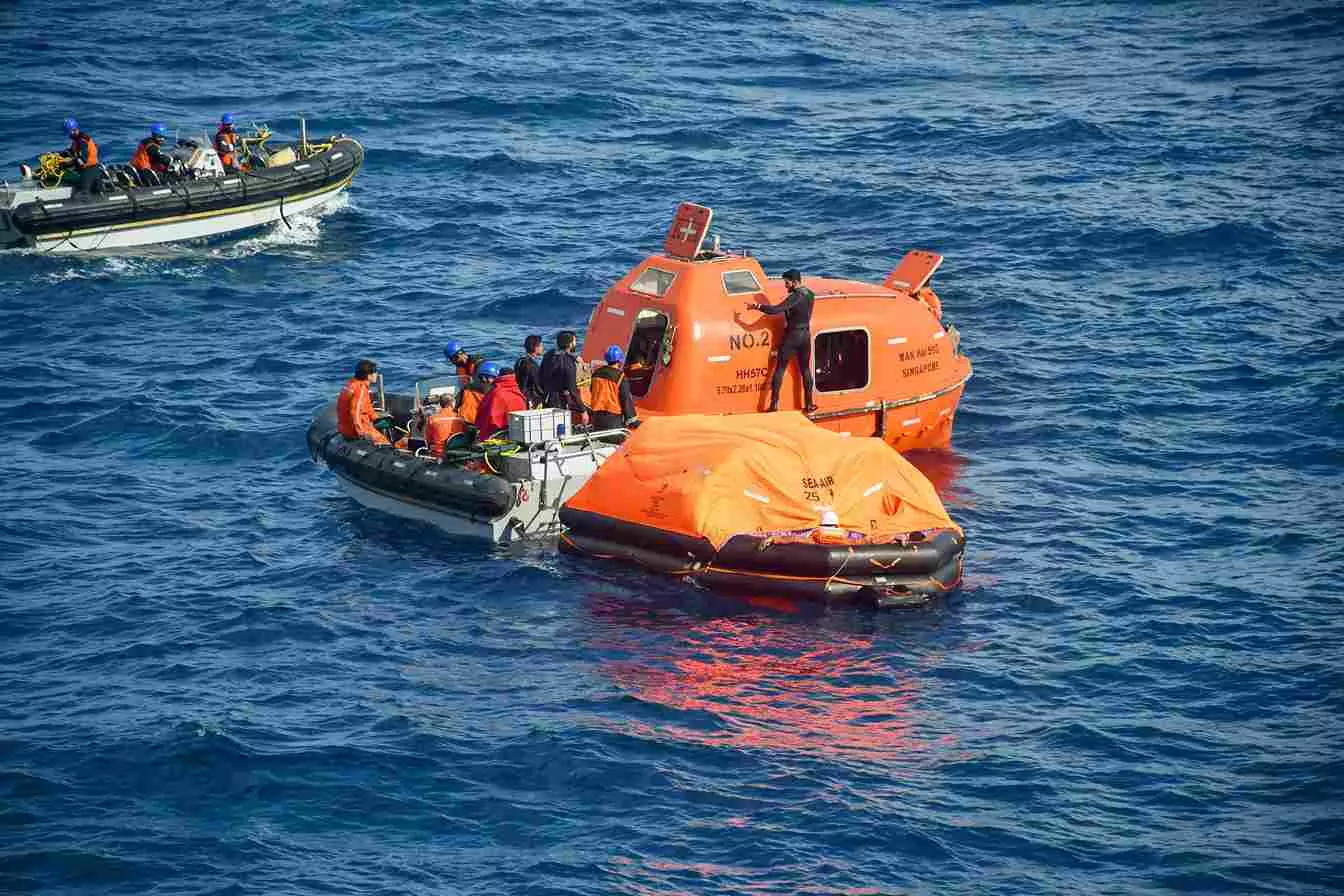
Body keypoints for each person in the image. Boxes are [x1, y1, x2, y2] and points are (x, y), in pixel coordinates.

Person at [746, 268, 817, 413]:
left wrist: (757, 306)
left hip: (792, 336)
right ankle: (809, 404)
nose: (785, 286)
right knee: (805, 369)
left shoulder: (795, 297)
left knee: (779, 369)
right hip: (805, 335)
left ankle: (774, 406)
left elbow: (775, 310)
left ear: (794, 282)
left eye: (787, 283)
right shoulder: (810, 294)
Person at [539, 330, 588, 423]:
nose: (575, 343)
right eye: (574, 341)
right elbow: (572, 390)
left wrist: (574, 357)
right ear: (570, 344)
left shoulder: (548, 355)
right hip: (559, 402)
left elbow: (540, 376)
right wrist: (583, 410)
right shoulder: (568, 363)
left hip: (546, 398)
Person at [337, 359, 390, 445]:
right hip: (354, 430)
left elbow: (366, 406)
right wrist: (362, 433)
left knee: (386, 422)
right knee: (385, 442)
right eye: (375, 372)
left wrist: (376, 417)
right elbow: (355, 412)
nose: (376, 374)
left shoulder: (351, 384)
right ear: (368, 376)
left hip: (344, 428)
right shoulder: (360, 389)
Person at [474, 361, 529, 439]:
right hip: (519, 432)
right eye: (481, 378)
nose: (483, 381)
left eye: (486, 378)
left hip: (498, 434)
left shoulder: (494, 393)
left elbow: (484, 419)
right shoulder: (518, 390)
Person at [589, 345, 637, 431]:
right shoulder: (620, 377)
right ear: (619, 361)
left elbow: (592, 390)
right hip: (613, 418)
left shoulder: (596, 373)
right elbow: (625, 399)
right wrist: (631, 420)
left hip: (596, 417)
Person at [59, 118, 100, 196]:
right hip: (84, 168)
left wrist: (68, 163)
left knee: (82, 192)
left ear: (72, 131)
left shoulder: (82, 141)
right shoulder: (77, 140)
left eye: (68, 133)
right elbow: (72, 151)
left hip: (90, 169)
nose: (68, 135)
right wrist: (59, 155)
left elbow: (83, 160)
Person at [423, 393, 467, 458]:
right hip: (457, 453)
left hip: (438, 453)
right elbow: (464, 435)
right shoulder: (461, 418)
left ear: (440, 404)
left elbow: (428, 440)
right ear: (452, 403)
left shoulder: (432, 419)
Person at [455, 361, 497, 426]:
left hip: (468, 423)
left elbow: (456, 407)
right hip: (480, 424)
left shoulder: (466, 389)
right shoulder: (495, 392)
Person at [514, 334, 545, 408]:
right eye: (541, 346)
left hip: (520, 396)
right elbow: (537, 385)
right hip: (531, 400)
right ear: (535, 347)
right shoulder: (532, 365)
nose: (543, 348)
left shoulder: (520, 361)